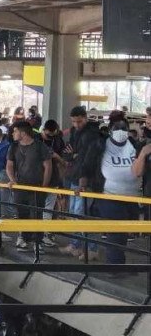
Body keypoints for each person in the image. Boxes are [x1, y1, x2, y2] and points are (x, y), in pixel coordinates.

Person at [91, 120, 150, 267]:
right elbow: (87, 163)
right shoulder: (100, 146)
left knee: (122, 234)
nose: (121, 132)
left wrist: (142, 154)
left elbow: (138, 171)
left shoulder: (134, 145)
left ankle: (118, 264)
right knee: (116, 233)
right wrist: (83, 183)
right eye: (117, 129)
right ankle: (115, 266)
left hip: (130, 197)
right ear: (110, 130)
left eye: (124, 129)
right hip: (109, 195)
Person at [59, 106, 103, 259]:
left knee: (82, 213)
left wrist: (83, 180)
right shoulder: (75, 132)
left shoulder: (92, 135)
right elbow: (68, 153)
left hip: (86, 180)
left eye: (79, 121)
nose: (76, 124)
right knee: (75, 214)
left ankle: (91, 248)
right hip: (75, 177)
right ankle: (76, 245)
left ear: (85, 117)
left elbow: (88, 160)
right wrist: (74, 156)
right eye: (74, 121)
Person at [6, 120, 53, 252]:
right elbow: (9, 165)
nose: (13, 133)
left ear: (23, 132)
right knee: (22, 213)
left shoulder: (39, 146)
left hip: (36, 187)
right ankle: (23, 238)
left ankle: (37, 242)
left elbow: (48, 165)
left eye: (15, 131)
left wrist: (44, 186)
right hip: (20, 187)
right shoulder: (13, 147)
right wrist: (13, 180)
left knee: (37, 214)